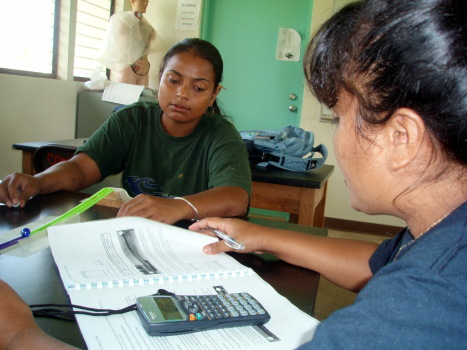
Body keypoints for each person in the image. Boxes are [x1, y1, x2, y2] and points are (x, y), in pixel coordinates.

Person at [190, 0, 466, 348]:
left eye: (338, 116)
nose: (334, 137)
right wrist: (263, 236)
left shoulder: (417, 307)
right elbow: (374, 264)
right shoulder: (441, 230)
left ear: (402, 138)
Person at [0, 38, 252, 225]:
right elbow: (81, 168)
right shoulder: (131, 120)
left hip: (195, 243)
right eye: (173, 81)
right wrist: (38, 181)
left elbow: (236, 198)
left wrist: (177, 207)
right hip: (133, 235)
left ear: (213, 94)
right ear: (160, 78)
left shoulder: (220, 135)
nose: (182, 94)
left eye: (198, 88)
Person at [96, 0, 162, 86]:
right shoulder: (122, 19)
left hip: (144, 69)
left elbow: (149, 45)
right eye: (142, 1)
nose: (145, 4)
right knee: (125, 96)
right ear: (132, 1)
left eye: (147, 1)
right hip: (127, 67)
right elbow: (117, 46)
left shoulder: (147, 26)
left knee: (143, 98)